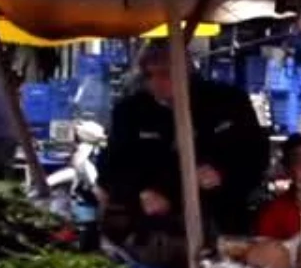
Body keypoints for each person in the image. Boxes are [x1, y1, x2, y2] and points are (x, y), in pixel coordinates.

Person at [97, 41, 270, 244]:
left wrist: (223, 173)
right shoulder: (131, 112)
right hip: (153, 228)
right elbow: (111, 169)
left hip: (221, 220)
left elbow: (257, 156)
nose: (157, 83)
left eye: (165, 73)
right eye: (149, 75)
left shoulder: (228, 102)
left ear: (186, 70)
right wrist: (139, 194)